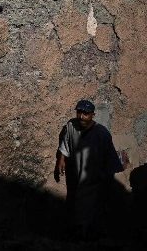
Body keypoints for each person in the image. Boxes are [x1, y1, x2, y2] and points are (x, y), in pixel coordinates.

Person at [53, 99, 130, 240]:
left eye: (86, 114)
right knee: (78, 204)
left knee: (88, 208)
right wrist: (61, 160)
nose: (81, 116)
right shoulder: (71, 126)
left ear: (93, 115)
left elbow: (110, 159)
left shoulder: (102, 134)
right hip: (77, 175)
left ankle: (85, 236)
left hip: (94, 179)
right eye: (79, 112)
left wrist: (105, 179)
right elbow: (66, 142)